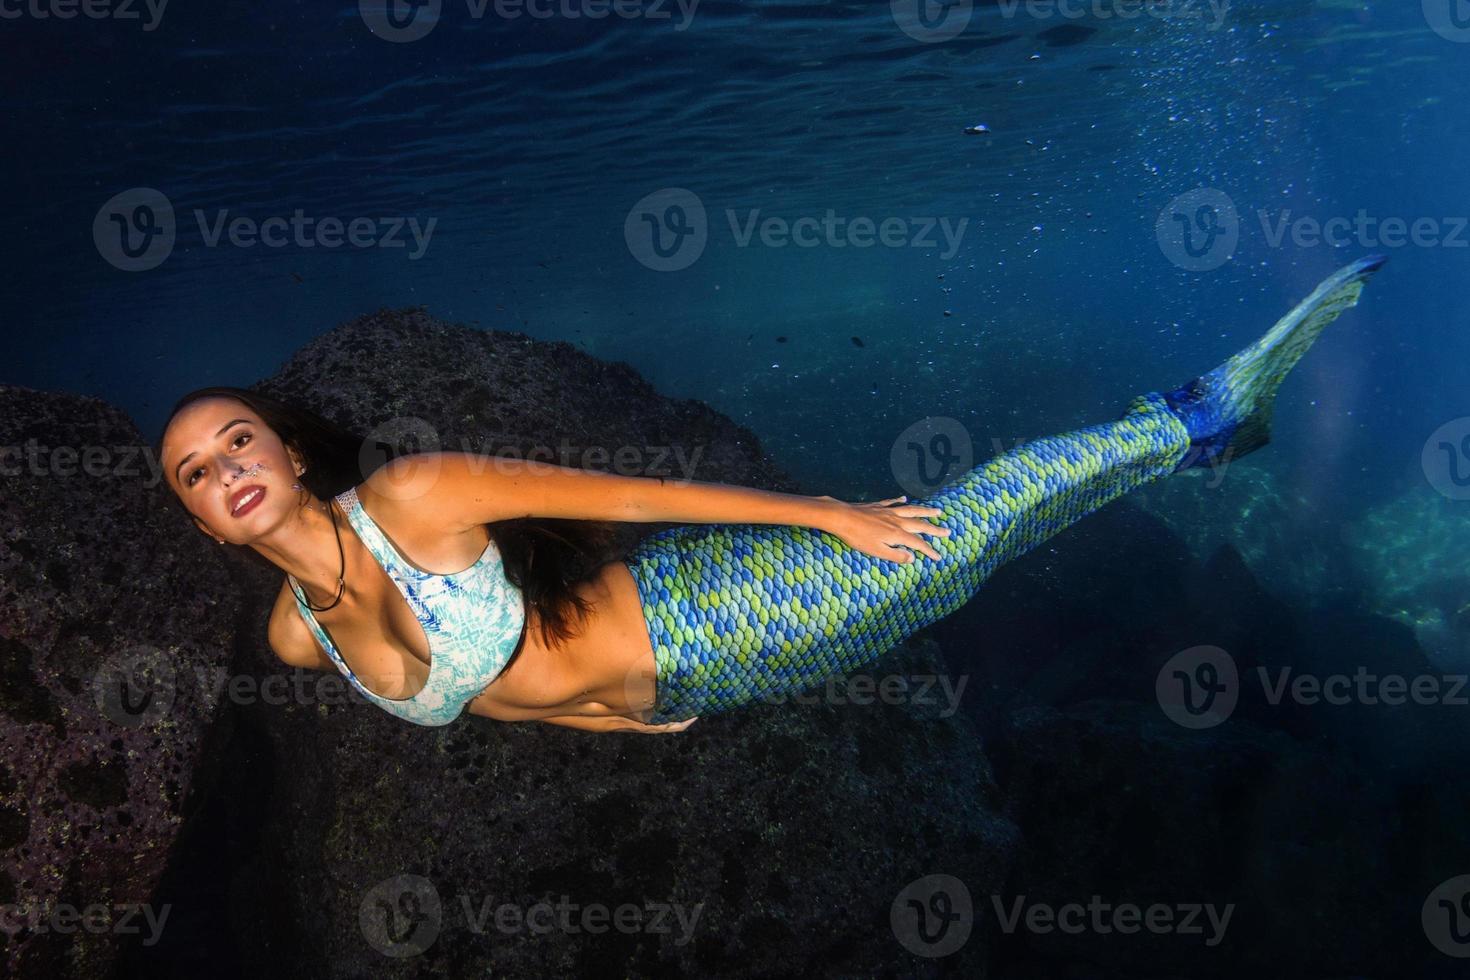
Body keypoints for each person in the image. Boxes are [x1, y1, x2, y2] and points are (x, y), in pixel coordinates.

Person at [158, 255, 1384, 733]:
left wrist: (831, 515)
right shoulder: (294, 636)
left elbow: (632, 496)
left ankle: (1191, 415)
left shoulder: (416, 494)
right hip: (689, 687)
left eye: (237, 439)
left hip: (708, 612)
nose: (227, 470)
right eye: (199, 474)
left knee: (952, 538)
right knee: (975, 560)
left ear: (290, 451)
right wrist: (614, 722)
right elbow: (480, 695)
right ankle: (1187, 447)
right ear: (202, 517)